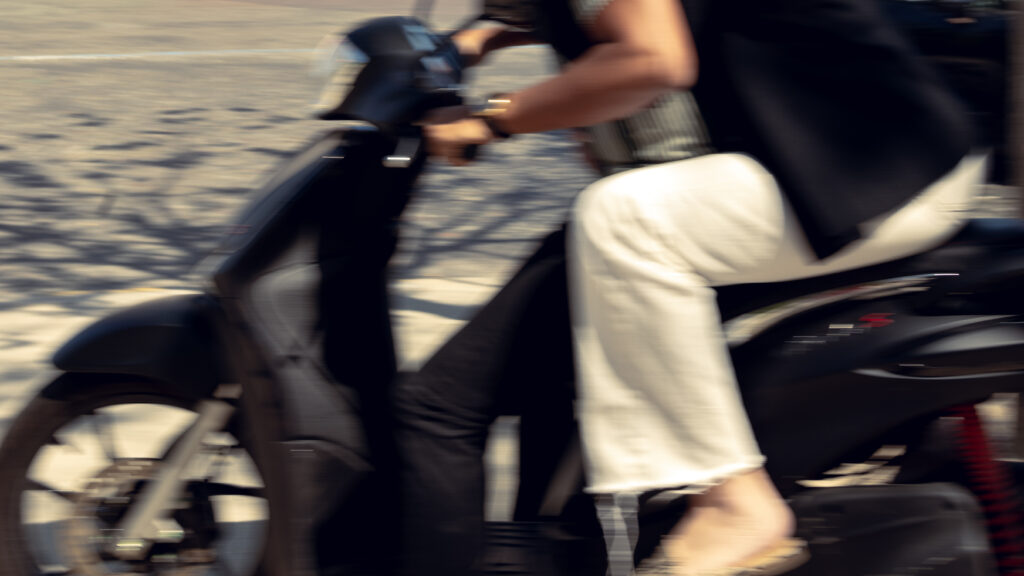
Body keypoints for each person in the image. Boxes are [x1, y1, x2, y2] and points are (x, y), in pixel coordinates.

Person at [407, 0, 984, 574]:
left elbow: (653, 58)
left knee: (624, 219)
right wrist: (483, 37)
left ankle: (734, 499)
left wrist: (492, 117)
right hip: (870, 152)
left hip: (869, 171)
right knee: (574, 325)